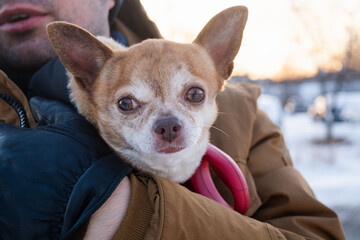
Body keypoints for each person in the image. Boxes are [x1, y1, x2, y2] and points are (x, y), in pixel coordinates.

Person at [0, 0, 346, 239]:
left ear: (220, 69)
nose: (167, 123)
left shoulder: (243, 115)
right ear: (85, 73)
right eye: (129, 103)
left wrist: (129, 212)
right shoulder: (99, 72)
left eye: (193, 96)